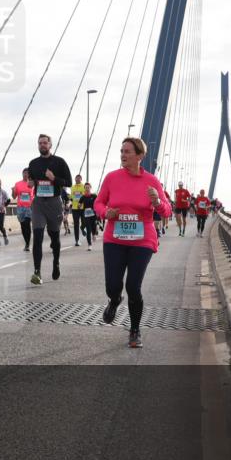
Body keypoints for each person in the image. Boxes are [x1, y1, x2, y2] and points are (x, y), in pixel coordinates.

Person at [95, 138, 172, 348]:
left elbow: (167, 210)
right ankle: (114, 300)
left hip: (142, 240)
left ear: (139, 156)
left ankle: (135, 330)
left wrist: (157, 202)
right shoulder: (112, 178)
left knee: (133, 286)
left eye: (127, 151)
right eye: (121, 151)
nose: (123, 155)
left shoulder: (152, 181)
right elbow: (98, 202)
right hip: (115, 239)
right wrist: (105, 212)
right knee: (113, 285)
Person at [28, 134, 72, 284]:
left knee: (55, 238)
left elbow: (69, 182)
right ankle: (37, 272)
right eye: (40, 143)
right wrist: (31, 183)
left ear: (50, 145)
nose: (42, 145)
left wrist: (54, 179)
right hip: (39, 203)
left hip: (54, 203)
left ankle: (56, 262)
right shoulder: (33, 163)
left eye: (45, 143)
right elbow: (32, 179)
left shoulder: (59, 162)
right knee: (38, 236)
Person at [11, 168, 35, 251]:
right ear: (22, 174)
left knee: (27, 225)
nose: (25, 174)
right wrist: (13, 191)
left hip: (29, 207)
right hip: (20, 208)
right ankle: (26, 242)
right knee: (23, 226)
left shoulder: (32, 184)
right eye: (24, 173)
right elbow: (14, 196)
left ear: (29, 174)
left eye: (27, 173)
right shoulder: (17, 184)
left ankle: (27, 244)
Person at [79, 182, 98, 250]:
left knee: (93, 227)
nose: (87, 189)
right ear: (84, 189)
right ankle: (89, 245)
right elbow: (79, 204)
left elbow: (98, 203)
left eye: (88, 187)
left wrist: (97, 210)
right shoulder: (83, 197)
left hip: (93, 215)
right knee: (88, 229)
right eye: (86, 187)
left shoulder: (94, 196)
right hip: (86, 215)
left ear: (90, 188)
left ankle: (94, 234)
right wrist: (79, 206)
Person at [70, 174, 86, 246]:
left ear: (81, 179)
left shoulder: (84, 187)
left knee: (84, 222)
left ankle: (82, 228)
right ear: (75, 179)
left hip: (82, 208)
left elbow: (85, 196)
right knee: (76, 224)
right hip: (74, 208)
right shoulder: (72, 187)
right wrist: (69, 202)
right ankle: (77, 240)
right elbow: (71, 197)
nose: (78, 179)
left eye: (79, 178)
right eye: (76, 178)